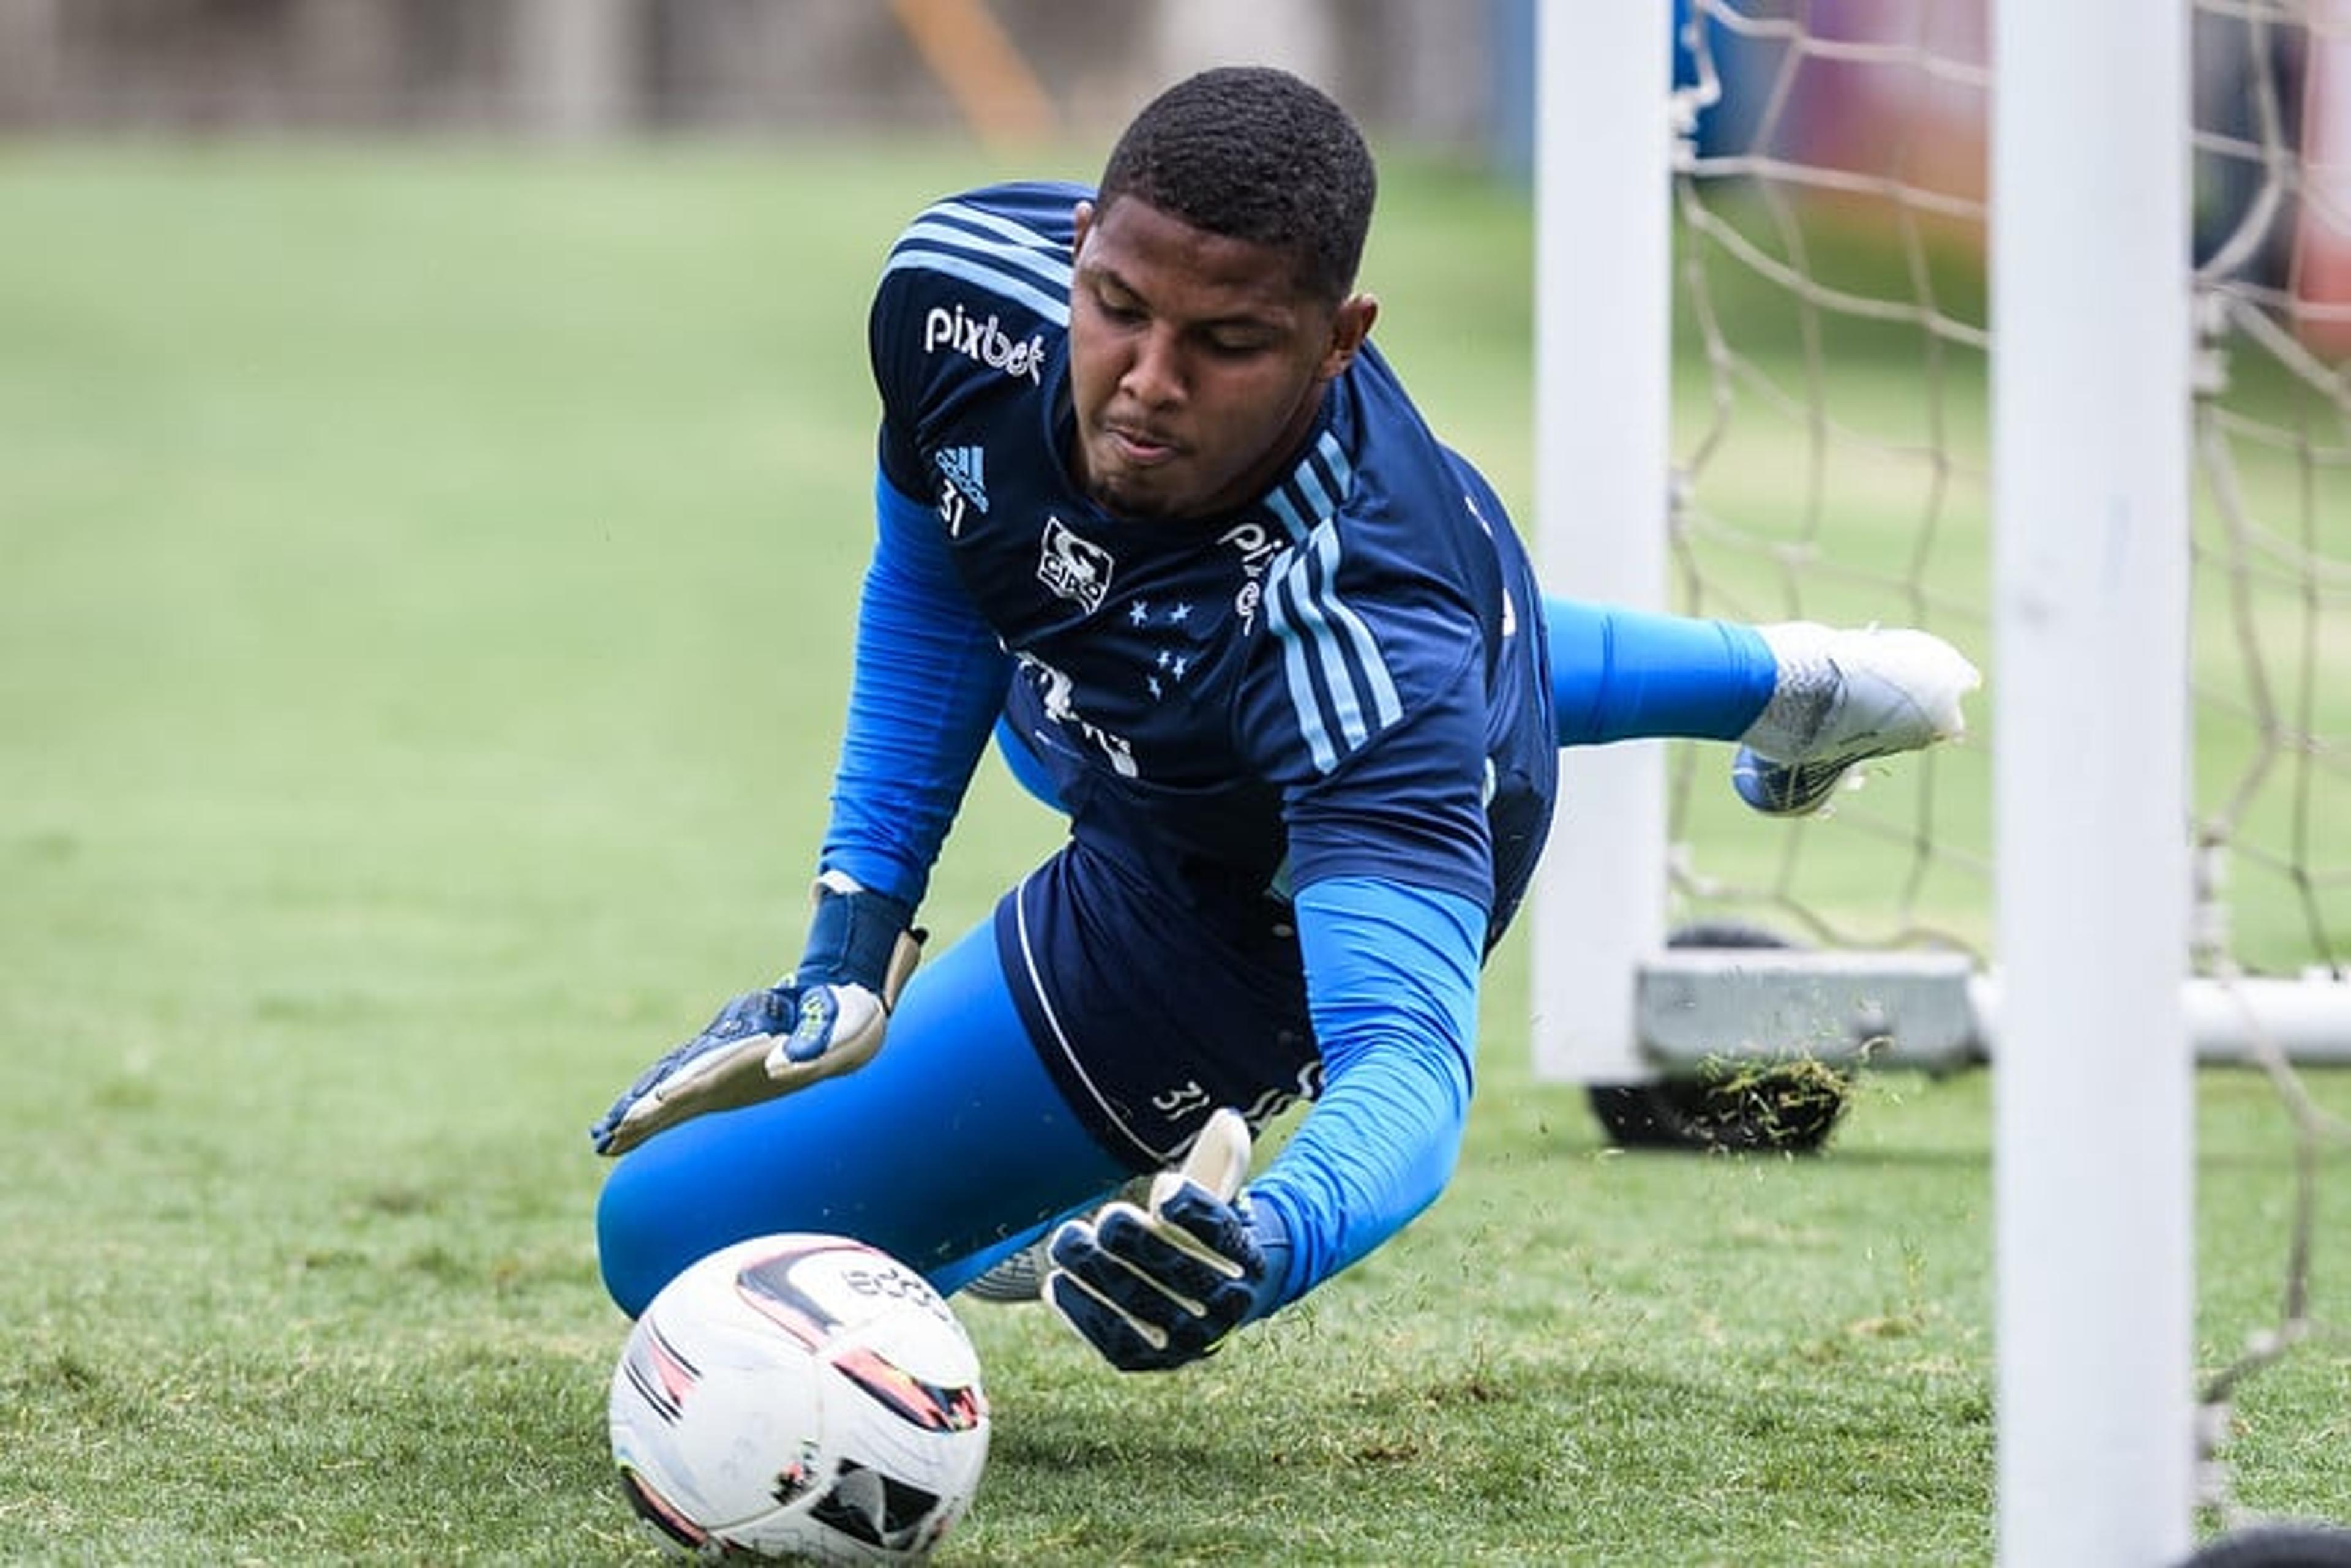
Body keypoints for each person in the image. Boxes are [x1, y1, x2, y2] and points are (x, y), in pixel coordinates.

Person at [589, 66, 1978, 1371]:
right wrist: (852, 936)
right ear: (1079, 245)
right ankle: (1793, 683)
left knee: (668, 1243)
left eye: (1228, 344)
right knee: (1127, 680)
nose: (1146, 380)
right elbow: (942, 569)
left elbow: (1409, 1066)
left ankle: (1076, 1174)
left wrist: (1264, 1243)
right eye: (1118, 305)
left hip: (1229, 895)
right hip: (1177, 686)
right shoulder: (956, 295)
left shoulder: (1366, 644)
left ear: (1339, 341)